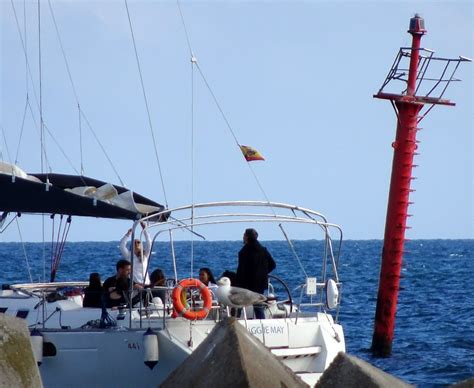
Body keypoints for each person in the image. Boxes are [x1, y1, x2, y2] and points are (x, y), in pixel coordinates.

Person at [236, 228, 276, 319]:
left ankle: (236, 321)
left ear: (247, 237)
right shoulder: (263, 250)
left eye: (244, 235)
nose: (243, 237)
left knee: (238, 305)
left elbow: (241, 270)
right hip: (260, 284)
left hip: (246, 284)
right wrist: (263, 274)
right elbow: (273, 264)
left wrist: (237, 283)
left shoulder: (244, 252)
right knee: (258, 307)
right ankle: (262, 326)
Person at [120, 221, 151, 287]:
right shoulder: (129, 255)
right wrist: (127, 235)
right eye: (134, 242)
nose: (136, 243)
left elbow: (149, 243)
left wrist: (144, 230)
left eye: (138, 242)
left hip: (145, 284)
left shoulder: (145, 255)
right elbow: (122, 246)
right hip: (134, 285)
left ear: (141, 245)